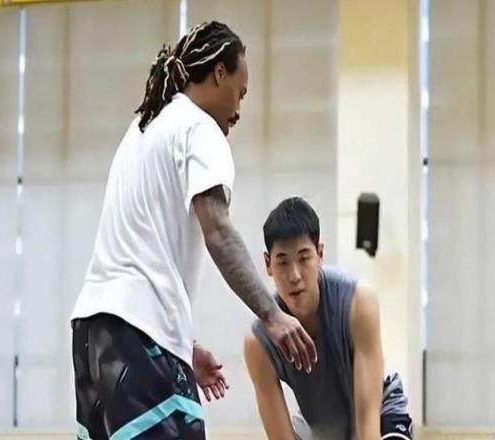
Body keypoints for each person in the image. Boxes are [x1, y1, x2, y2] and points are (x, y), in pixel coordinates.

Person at [70, 22, 316, 440]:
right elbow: (218, 231)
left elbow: (142, 248)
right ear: (219, 73)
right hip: (138, 334)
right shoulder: (200, 129)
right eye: (240, 92)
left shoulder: (143, 128)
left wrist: (182, 344)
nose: (238, 110)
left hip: (92, 334)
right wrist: (273, 315)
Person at [245, 197, 413, 440]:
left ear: (320, 254)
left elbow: (368, 422)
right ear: (268, 264)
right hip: (320, 429)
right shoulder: (259, 343)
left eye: (304, 258)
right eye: (282, 262)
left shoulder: (358, 303)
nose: (294, 275)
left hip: (379, 413)